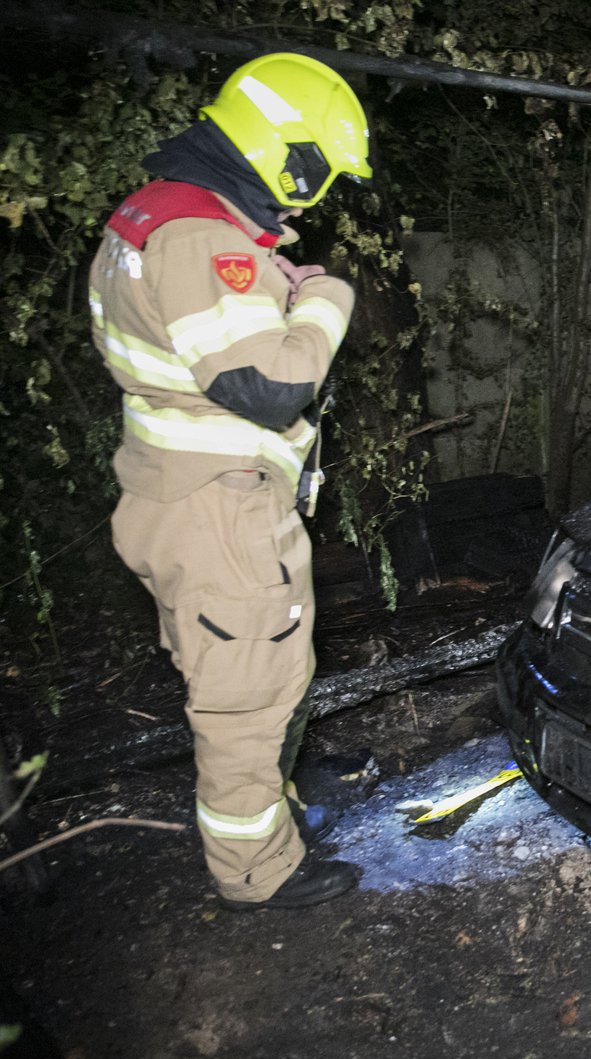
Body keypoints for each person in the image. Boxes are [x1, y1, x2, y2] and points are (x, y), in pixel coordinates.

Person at [89, 52, 371, 910]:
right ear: (287, 154)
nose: (304, 202)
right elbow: (268, 387)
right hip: (220, 510)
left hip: (178, 497)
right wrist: (328, 297)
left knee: (249, 671)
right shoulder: (202, 237)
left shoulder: (156, 217)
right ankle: (259, 870)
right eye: (312, 180)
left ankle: (272, 785)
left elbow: (195, 349)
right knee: (245, 694)